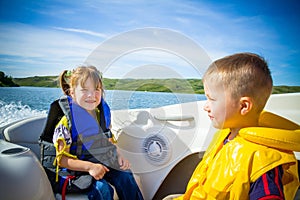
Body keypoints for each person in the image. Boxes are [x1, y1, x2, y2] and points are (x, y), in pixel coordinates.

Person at [164, 53, 299, 199]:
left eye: (211, 99)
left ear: (244, 106)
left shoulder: (264, 160)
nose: (206, 107)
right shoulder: (226, 135)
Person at [40, 66, 144, 200]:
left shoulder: (101, 114)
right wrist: (90, 167)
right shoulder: (66, 123)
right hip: (74, 172)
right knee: (103, 189)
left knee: (125, 176)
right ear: (72, 93)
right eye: (84, 90)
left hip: (97, 163)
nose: (91, 95)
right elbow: (62, 160)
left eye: (96, 89)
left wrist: (119, 155)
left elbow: (108, 140)